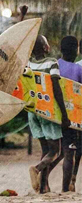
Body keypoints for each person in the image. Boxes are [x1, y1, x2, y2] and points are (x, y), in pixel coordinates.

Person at [27, 35, 69, 194]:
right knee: (56, 151)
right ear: (45, 47)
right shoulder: (52, 62)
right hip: (48, 110)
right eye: (46, 42)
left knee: (46, 150)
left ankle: (43, 186)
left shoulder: (28, 63)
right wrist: (64, 114)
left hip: (33, 111)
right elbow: (56, 89)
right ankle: (36, 169)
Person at [56, 36, 82, 193]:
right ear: (77, 50)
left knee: (52, 151)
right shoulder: (78, 69)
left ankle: (44, 183)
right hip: (71, 116)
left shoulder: (55, 65)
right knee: (70, 152)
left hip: (52, 113)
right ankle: (67, 188)